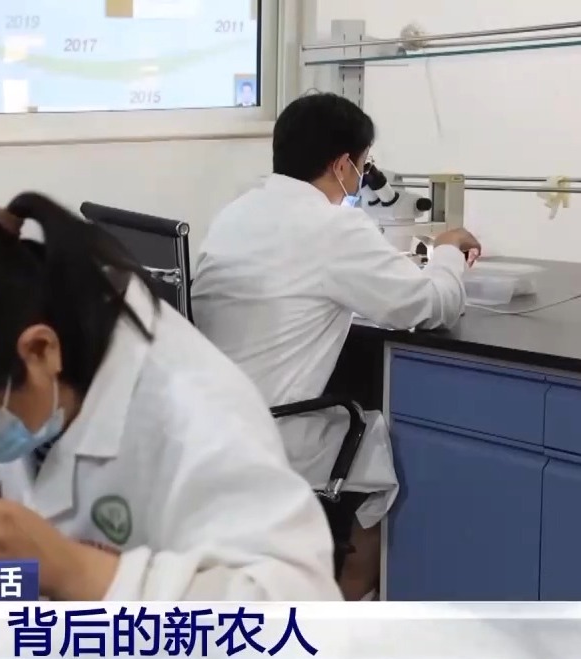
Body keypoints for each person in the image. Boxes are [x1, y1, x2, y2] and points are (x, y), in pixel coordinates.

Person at [0, 192, 342, 601]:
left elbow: (300, 608)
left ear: (40, 350)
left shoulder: (195, 413)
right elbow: (40, 467)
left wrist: (78, 571)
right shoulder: (49, 349)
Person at [190, 92, 481, 600]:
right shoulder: (333, 226)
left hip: (211, 421)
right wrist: (447, 254)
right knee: (375, 446)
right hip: (274, 430)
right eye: (363, 166)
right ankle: (351, 598)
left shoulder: (238, 211)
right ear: (343, 166)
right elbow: (431, 304)